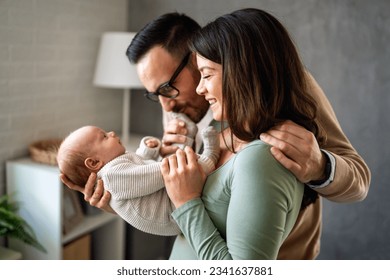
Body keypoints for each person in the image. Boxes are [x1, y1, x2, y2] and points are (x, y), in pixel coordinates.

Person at [61, 11, 371, 259]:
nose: (167, 105)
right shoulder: (175, 104)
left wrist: (319, 166)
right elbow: (185, 200)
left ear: (196, 58)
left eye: (168, 88)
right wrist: (121, 199)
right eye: (154, 95)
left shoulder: (284, 84)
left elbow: (358, 181)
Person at [57, 119, 219, 236]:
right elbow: (148, 176)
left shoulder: (116, 171)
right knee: (178, 167)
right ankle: (209, 159)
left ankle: (191, 146)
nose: (112, 133)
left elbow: (139, 169)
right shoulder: (112, 177)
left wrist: (148, 151)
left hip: (174, 204)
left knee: (175, 165)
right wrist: (175, 162)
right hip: (173, 213)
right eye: (104, 136)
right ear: (94, 162)